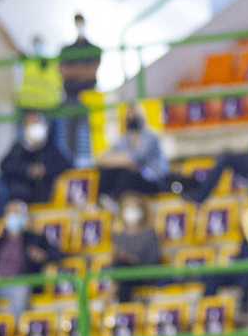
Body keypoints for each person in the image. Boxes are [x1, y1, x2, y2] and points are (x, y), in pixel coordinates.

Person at [0, 111, 72, 207]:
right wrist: (28, 170)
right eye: (30, 124)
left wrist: (44, 170)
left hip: (48, 200)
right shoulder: (18, 148)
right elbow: (5, 166)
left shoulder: (51, 148)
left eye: (36, 123)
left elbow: (67, 165)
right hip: (22, 202)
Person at [96, 104, 169, 201]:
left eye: (134, 115)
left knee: (126, 172)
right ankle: (105, 201)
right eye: (128, 116)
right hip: (132, 178)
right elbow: (101, 158)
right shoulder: (123, 138)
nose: (131, 118)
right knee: (106, 171)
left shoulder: (151, 137)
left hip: (152, 178)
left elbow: (135, 158)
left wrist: (118, 160)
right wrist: (120, 160)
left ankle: (121, 202)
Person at [60, 14, 101, 165]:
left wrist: (74, 71)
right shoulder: (66, 50)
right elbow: (64, 71)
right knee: (70, 137)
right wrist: (83, 71)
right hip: (71, 98)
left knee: (95, 133)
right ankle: (71, 166)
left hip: (90, 98)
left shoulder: (94, 49)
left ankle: (97, 164)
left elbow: (92, 72)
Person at [108, 194, 162, 304]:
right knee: (122, 269)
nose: (131, 212)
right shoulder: (119, 237)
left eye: (134, 208)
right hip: (124, 276)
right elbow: (114, 263)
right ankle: (123, 303)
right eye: (128, 208)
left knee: (123, 269)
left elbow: (153, 261)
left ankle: (119, 301)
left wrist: (132, 258)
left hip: (144, 274)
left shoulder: (150, 234)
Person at [16, 35, 65, 150]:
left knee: (54, 144)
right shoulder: (28, 61)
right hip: (29, 107)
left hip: (51, 107)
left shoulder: (54, 62)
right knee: (26, 143)